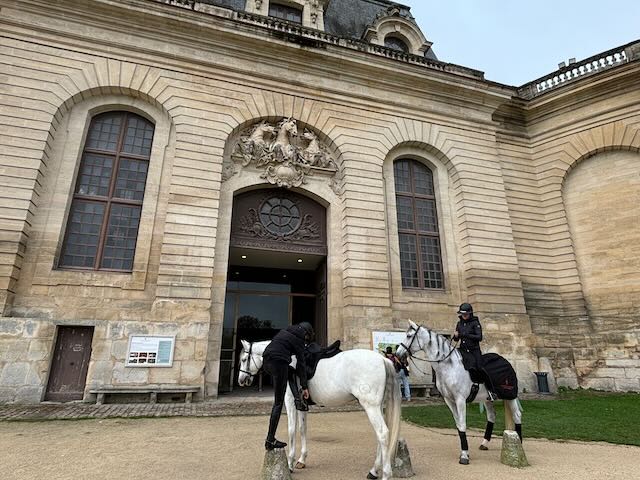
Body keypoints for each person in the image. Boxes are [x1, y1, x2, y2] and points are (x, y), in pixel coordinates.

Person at [262, 322, 314, 450]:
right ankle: (270, 440)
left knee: (289, 372)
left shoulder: (285, 332)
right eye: (307, 337)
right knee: (278, 403)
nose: (306, 339)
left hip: (267, 361)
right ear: (306, 333)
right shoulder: (299, 340)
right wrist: (304, 386)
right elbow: (301, 364)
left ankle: (296, 397)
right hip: (279, 363)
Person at [453, 302, 495, 400]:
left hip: (474, 350)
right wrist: (455, 336)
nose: (464, 316)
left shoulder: (475, 323)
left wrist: (464, 334)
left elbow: (479, 337)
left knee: (480, 368)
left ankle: (491, 390)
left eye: (466, 314)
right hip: (463, 350)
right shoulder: (459, 323)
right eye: (462, 314)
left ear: (470, 313)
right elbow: (456, 339)